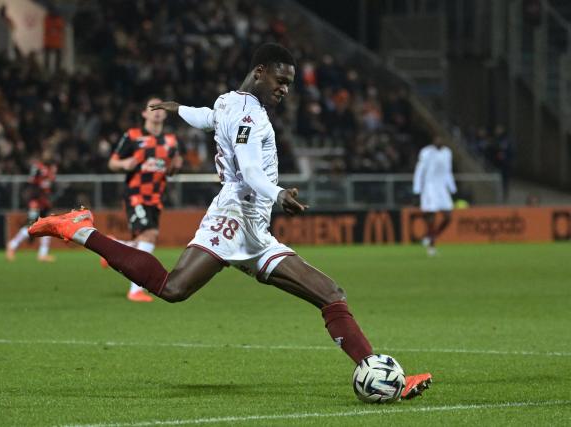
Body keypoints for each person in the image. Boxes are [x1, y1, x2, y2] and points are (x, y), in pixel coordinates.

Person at [29, 43, 431, 399]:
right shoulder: (250, 117)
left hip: (256, 229)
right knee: (173, 288)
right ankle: (80, 229)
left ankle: (380, 375)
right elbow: (250, 170)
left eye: (289, 84)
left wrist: (178, 109)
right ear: (260, 72)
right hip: (236, 216)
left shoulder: (228, 101)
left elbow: (207, 116)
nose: (285, 90)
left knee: (330, 293)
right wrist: (279, 194)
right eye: (280, 81)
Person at [106, 96, 183, 302]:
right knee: (149, 236)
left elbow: (171, 170)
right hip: (135, 194)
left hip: (156, 196)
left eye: (161, 108)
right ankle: (135, 290)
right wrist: (124, 164)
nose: (157, 112)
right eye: (152, 108)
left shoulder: (171, 141)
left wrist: (176, 166)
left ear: (165, 114)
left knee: (144, 239)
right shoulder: (132, 135)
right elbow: (112, 163)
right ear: (144, 113)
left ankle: (113, 245)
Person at [6, 151, 57, 262]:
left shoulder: (50, 169)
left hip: (44, 202)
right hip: (35, 202)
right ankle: (12, 245)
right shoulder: (38, 168)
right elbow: (32, 184)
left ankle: (43, 254)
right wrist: (33, 199)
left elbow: (51, 187)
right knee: (31, 226)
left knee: (46, 227)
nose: (48, 155)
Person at [412, 135, 457, 256]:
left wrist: (452, 188)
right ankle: (431, 246)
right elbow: (420, 170)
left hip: (442, 187)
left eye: (441, 139)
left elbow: (448, 171)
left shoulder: (447, 152)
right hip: (429, 187)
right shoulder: (426, 152)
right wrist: (417, 189)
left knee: (448, 217)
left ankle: (431, 236)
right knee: (431, 215)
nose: (439, 141)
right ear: (433, 140)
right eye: (437, 139)